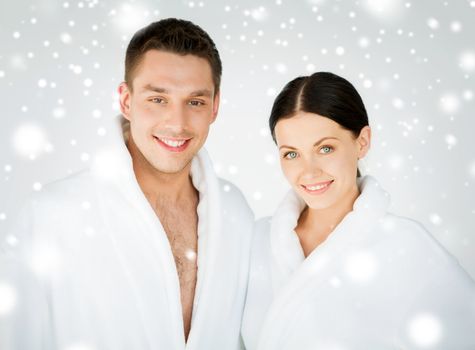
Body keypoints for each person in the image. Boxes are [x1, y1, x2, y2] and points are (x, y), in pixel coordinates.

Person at [0, 18, 254, 350]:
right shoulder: (52, 215)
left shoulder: (235, 212)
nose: (176, 124)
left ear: (215, 107)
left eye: (195, 101)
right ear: (126, 101)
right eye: (158, 99)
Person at [241, 72, 475, 350]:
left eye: (325, 148)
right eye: (291, 154)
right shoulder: (254, 241)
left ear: (362, 142)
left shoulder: (407, 246)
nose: (309, 171)